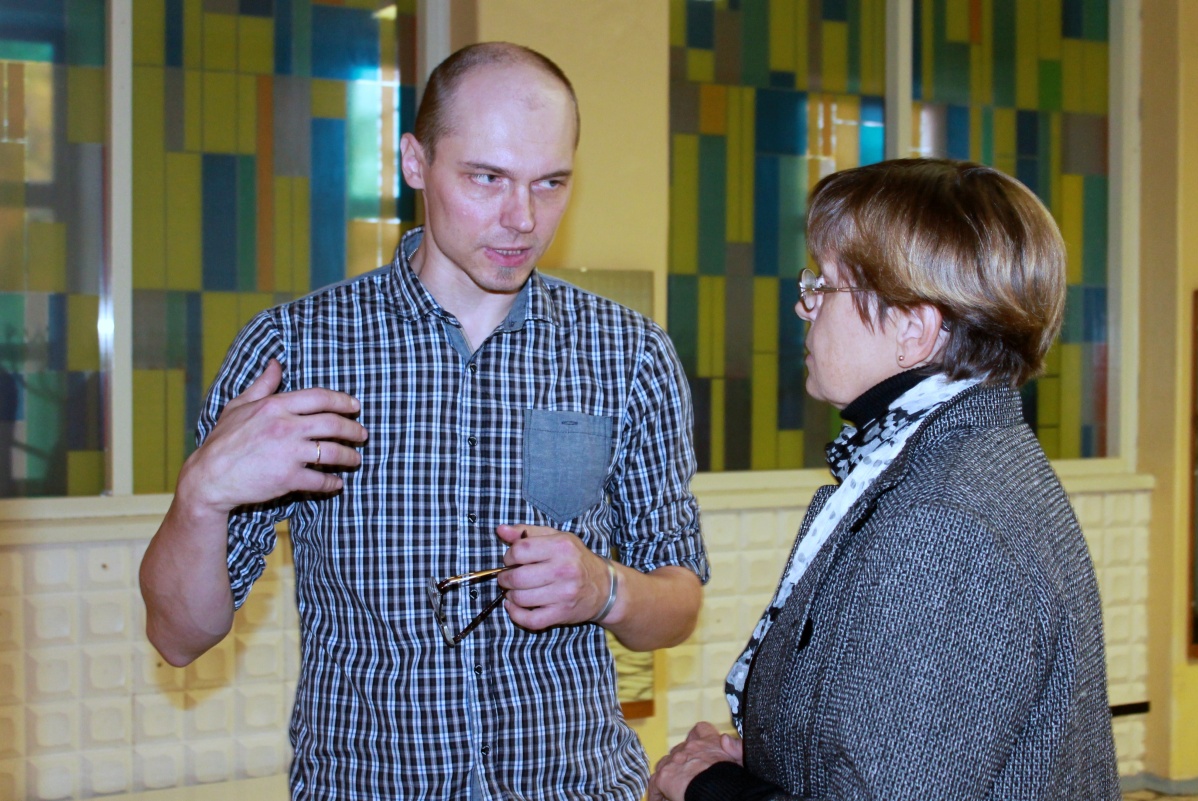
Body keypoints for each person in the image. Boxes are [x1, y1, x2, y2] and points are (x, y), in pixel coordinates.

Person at [139, 42, 708, 800]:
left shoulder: (627, 353)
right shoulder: (296, 350)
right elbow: (179, 637)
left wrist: (605, 589)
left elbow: (678, 601)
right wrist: (202, 493)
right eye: (486, 178)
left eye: (550, 183)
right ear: (416, 162)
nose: (522, 219)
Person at [649, 158, 1119, 801]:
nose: (803, 305)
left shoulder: (944, 525)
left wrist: (712, 787)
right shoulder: (954, 459)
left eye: (824, 285)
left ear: (913, 330)